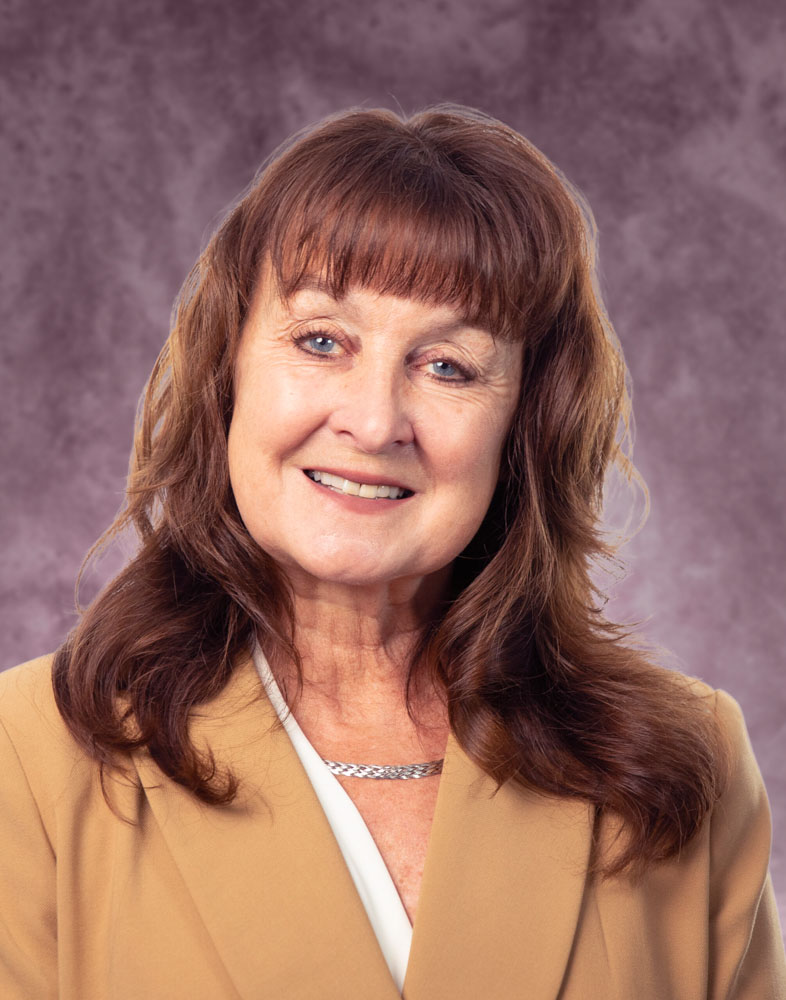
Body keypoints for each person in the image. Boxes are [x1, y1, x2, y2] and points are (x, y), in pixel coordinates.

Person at [0, 104, 783, 1000]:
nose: (373, 422)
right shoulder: (27, 759)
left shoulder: (683, 770)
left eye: (448, 365)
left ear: (526, 423)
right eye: (321, 340)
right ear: (229, 371)